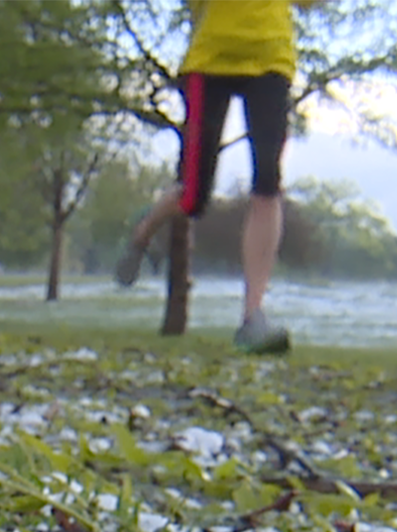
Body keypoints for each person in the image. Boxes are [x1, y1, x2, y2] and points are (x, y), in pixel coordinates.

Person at [115, 0, 310, 355]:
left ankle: (253, 317)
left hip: (272, 59)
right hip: (210, 60)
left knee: (268, 184)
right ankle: (142, 233)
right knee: (193, 196)